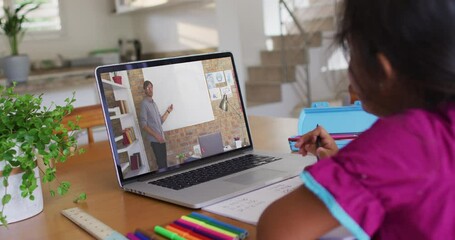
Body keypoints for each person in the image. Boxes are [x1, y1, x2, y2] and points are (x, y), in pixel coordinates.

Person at [257, 0, 455, 239]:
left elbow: (277, 230)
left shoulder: (406, 139)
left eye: (350, 52)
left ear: (382, 71)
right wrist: (340, 166)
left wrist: (352, 168)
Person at [139, 80, 173, 169]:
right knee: (161, 165)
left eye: (151, 87)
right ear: (144, 90)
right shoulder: (144, 104)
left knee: (164, 164)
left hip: (162, 139)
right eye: (148, 88)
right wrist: (156, 136)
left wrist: (168, 111)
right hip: (155, 140)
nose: (150, 89)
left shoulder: (154, 104)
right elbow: (143, 124)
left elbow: (160, 121)